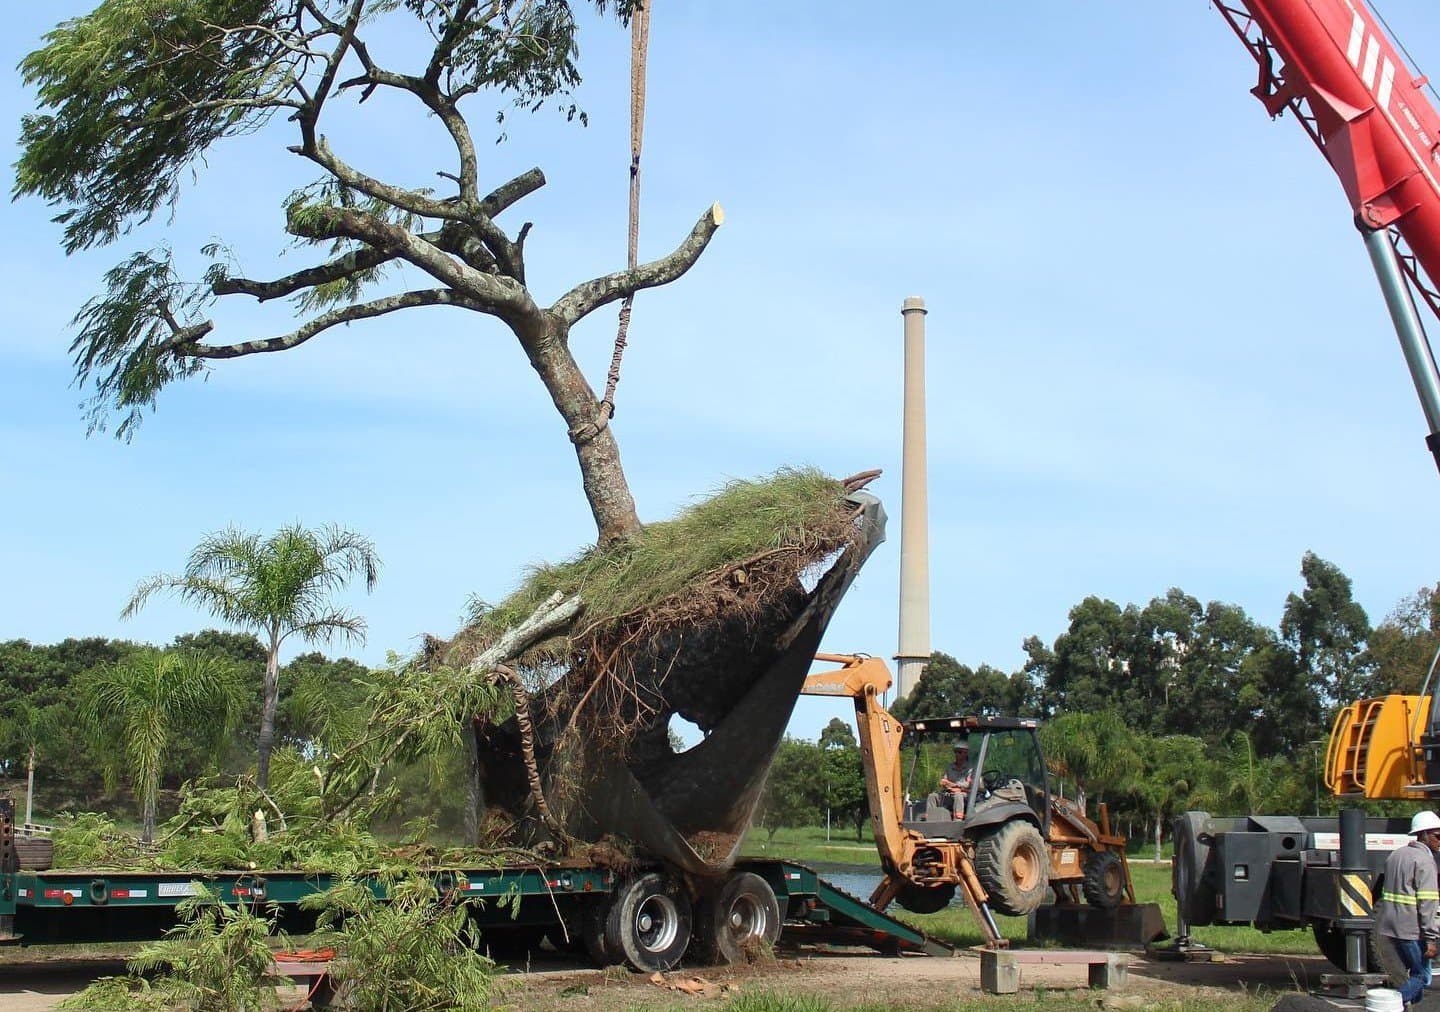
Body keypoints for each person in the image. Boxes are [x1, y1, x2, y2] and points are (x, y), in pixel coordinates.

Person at [1378, 810, 1440, 1006]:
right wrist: (1431, 938)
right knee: (1422, 977)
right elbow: (1428, 902)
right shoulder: (1425, 861)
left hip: (1390, 927)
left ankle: (1405, 1005)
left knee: (1415, 976)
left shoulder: (1396, 855)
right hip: (1410, 930)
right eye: (1438, 836)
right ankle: (1389, 1006)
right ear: (1423, 835)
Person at [937, 742, 973, 819]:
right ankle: (930, 819)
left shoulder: (971, 768)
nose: (957, 754)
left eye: (959, 752)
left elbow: (969, 784)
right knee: (933, 796)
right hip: (950, 792)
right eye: (955, 752)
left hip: (966, 793)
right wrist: (943, 783)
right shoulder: (950, 767)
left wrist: (955, 785)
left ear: (966, 753)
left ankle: (957, 820)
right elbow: (945, 781)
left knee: (958, 795)